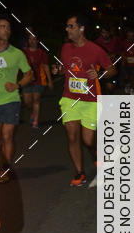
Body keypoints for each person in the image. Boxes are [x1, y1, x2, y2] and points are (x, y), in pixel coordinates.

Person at [58, 13, 115, 186]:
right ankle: (80, 172)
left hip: (91, 100)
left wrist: (100, 74)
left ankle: (95, 152)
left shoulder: (95, 49)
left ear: (81, 28)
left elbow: (112, 69)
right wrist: (58, 70)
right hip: (69, 98)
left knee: (88, 140)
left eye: (71, 26)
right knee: (72, 136)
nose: (67, 29)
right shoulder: (65, 48)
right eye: (67, 26)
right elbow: (64, 68)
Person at [0, 17, 33, 183]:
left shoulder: (17, 53)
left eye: (8, 28)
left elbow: (29, 75)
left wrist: (17, 85)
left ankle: (5, 169)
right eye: (2, 27)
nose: (6, 30)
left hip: (11, 101)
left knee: (7, 135)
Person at [22, 32, 53, 128]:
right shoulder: (23, 52)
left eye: (34, 39)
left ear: (37, 41)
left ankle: (35, 121)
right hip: (26, 80)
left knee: (36, 100)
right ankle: (33, 113)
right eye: (30, 39)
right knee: (27, 102)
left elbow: (46, 66)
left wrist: (49, 81)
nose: (32, 41)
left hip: (39, 80)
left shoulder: (41, 53)